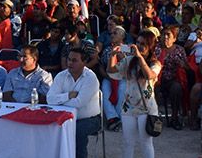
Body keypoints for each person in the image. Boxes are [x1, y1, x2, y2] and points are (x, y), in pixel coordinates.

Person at [107, 30, 162, 158]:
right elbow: (111, 71)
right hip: (128, 107)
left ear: (150, 47)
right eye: (137, 42)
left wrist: (140, 58)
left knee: (145, 143)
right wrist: (112, 56)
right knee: (127, 142)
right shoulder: (129, 60)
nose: (139, 46)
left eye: (143, 44)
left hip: (146, 108)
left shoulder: (155, 63)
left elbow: (149, 75)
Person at [47, 48, 100, 158]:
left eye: (74, 60)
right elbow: (50, 99)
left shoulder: (91, 78)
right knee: (48, 127)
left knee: (77, 131)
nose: (70, 63)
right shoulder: (61, 76)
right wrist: (68, 95)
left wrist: (59, 101)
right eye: (69, 59)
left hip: (89, 119)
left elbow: (79, 103)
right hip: (63, 116)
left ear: (84, 62)